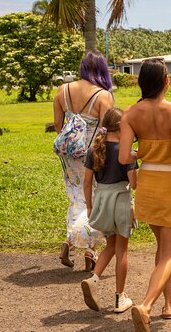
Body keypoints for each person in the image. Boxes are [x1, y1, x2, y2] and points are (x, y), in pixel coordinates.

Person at [119, 58, 171, 332]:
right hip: (170, 184)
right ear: (166, 81)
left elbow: (123, 156)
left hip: (147, 184)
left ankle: (170, 303)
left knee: (163, 249)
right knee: (169, 254)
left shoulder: (129, 114)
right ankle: (146, 305)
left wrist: (145, 151)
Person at [53, 52, 114, 271]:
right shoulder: (103, 96)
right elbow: (107, 131)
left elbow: (58, 125)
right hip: (93, 153)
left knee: (76, 196)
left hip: (69, 154)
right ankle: (81, 245)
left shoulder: (63, 91)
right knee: (95, 199)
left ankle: (77, 247)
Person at [81, 107, 138, 313]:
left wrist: (89, 206)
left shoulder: (95, 149)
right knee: (122, 250)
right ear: (123, 127)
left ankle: (94, 279)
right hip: (120, 200)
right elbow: (134, 184)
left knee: (111, 246)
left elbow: (87, 182)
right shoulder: (126, 152)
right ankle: (119, 298)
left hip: (101, 201)